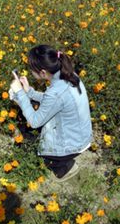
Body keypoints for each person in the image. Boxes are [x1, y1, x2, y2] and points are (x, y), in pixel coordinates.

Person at [9, 44, 93, 182]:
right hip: (82, 136)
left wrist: (19, 93)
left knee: (40, 146)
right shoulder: (70, 75)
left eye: (32, 69)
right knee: (40, 112)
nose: (30, 72)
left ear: (43, 72)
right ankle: (63, 159)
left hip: (72, 146)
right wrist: (29, 92)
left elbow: (34, 122)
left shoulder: (56, 92)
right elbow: (54, 101)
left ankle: (63, 167)